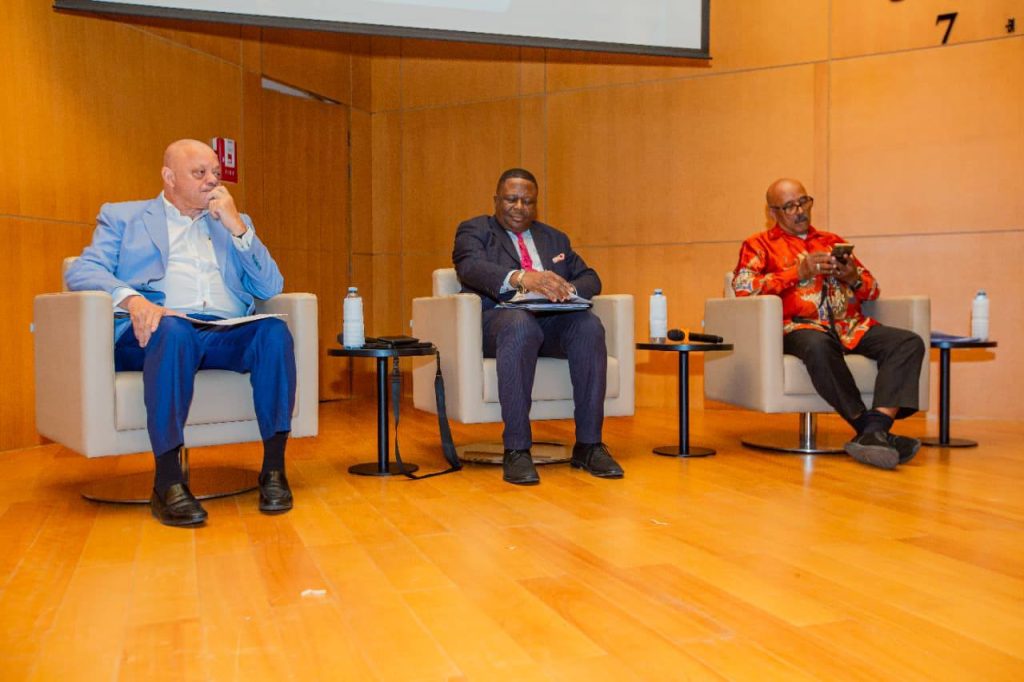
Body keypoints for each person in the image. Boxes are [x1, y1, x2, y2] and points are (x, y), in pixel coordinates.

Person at [66, 139, 296, 526]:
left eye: (216, 175)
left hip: (223, 330)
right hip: (155, 330)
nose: (212, 182)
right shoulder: (125, 217)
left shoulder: (233, 222)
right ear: (169, 177)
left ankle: (274, 471)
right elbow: (82, 271)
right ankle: (168, 483)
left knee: (273, 332)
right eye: (199, 173)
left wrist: (238, 228)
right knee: (173, 330)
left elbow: (270, 286)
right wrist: (133, 300)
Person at [731, 178, 925, 470]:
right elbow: (743, 289)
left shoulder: (832, 241)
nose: (800, 211)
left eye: (804, 202)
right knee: (818, 345)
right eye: (789, 206)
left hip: (850, 326)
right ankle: (869, 429)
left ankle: (876, 429)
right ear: (773, 212)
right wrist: (797, 271)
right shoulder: (759, 245)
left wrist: (851, 278)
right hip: (799, 328)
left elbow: (872, 289)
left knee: (908, 342)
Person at [452, 168, 624, 485]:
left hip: (551, 322)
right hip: (499, 323)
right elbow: (470, 267)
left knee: (588, 327)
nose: (519, 207)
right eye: (511, 199)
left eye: (528, 201)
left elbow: (591, 277)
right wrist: (522, 278)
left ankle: (589, 445)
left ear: (536, 204)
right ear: (496, 200)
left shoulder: (554, 238)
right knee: (521, 326)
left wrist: (565, 289)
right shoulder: (475, 230)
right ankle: (517, 449)